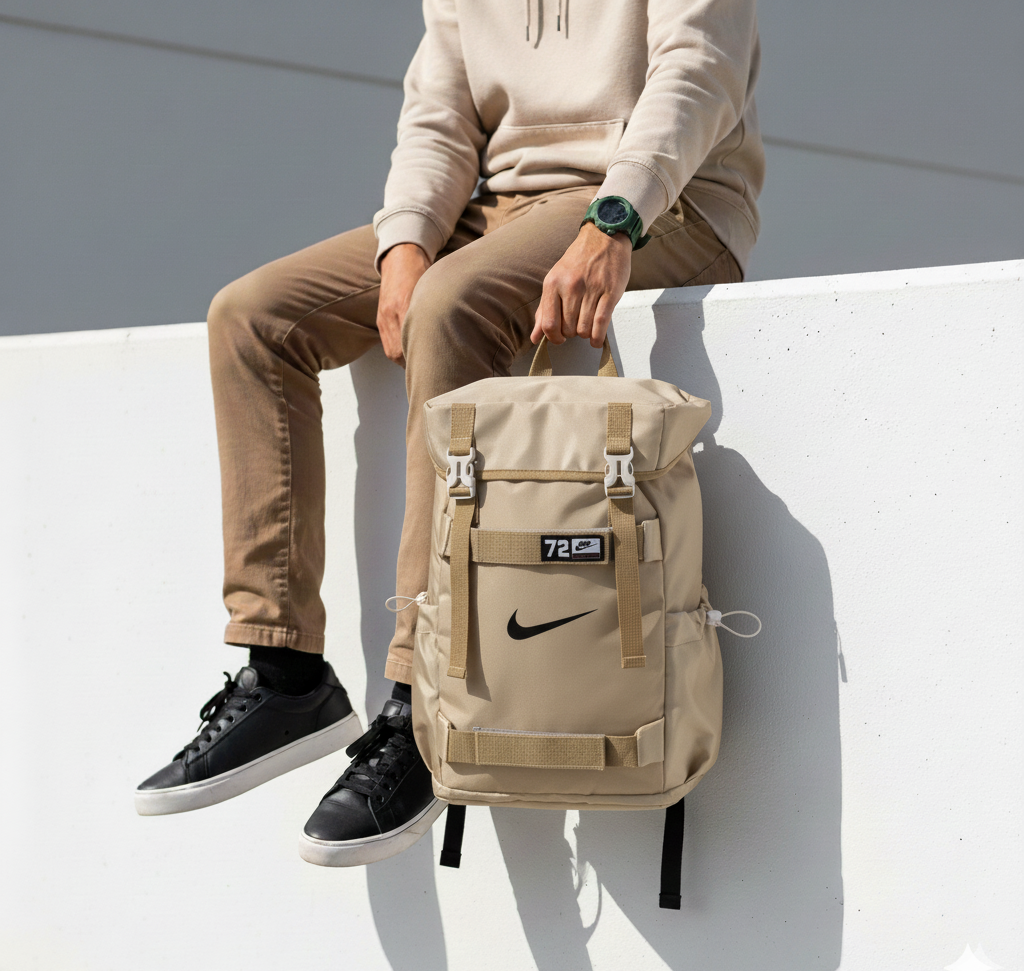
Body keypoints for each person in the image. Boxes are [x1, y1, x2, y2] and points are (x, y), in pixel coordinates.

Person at [135, 0, 764, 866]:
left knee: (450, 305)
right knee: (254, 317)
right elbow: (438, 114)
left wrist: (616, 216)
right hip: (502, 207)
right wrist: (404, 243)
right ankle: (285, 672)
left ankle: (420, 701)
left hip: (667, 202)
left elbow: (699, 72)